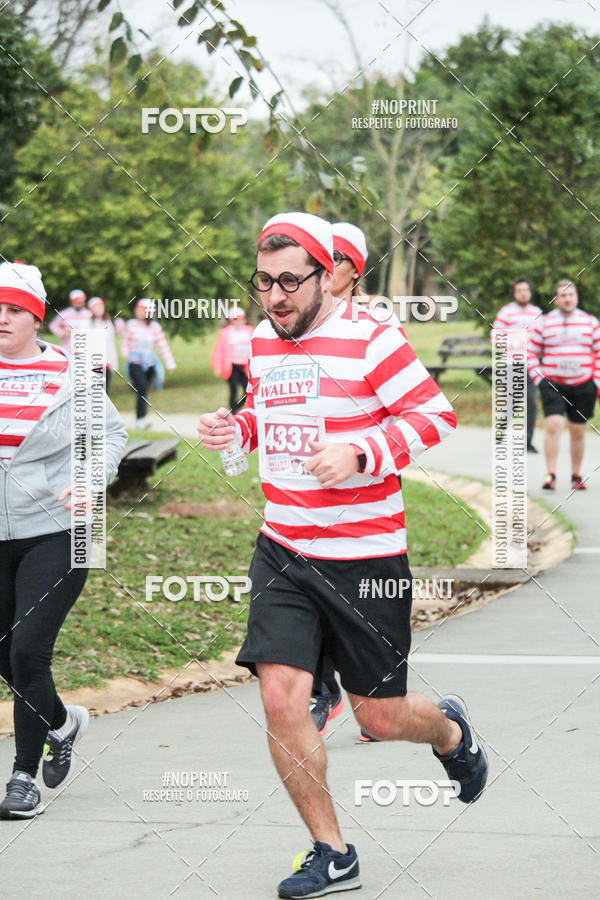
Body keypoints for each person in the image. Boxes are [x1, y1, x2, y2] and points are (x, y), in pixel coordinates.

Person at [198, 212, 488, 899]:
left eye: (289, 282)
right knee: (280, 697)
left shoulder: (372, 338)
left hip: (365, 557)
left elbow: (434, 415)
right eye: (264, 282)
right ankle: (332, 852)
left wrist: (362, 452)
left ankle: (449, 731)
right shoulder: (263, 341)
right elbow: (268, 414)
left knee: (379, 716)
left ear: (326, 277)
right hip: (283, 547)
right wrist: (236, 428)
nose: (275, 297)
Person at [0, 260, 127, 819]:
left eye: (14, 309)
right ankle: (61, 722)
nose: (3, 318)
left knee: (28, 650)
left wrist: (91, 478)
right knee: (5, 653)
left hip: (65, 529)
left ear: (37, 318)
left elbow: (112, 435)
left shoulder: (71, 374)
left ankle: (22, 778)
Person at [528, 279, 600, 491]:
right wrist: (540, 379)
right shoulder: (545, 322)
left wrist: (596, 380)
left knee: (578, 430)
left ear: (576, 297)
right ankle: (550, 474)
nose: (567, 299)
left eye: (571, 295)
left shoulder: (589, 322)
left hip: (583, 384)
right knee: (554, 424)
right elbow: (530, 352)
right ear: (556, 299)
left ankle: (575, 475)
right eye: (563, 295)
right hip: (553, 384)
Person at [492, 278, 542, 452]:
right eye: (520, 290)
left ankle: (527, 441)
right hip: (511, 363)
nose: (523, 293)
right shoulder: (507, 312)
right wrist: (516, 342)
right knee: (512, 402)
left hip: (531, 365)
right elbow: (496, 336)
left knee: (531, 402)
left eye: (526, 290)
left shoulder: (536, 312)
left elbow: (543, 336)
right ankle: (501, 431)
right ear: (514, 293)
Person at [121, 298, 176, 429]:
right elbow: (125, 341)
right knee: (141, 387)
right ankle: (140, 419)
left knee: (144, 390)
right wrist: (126, 353)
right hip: (135, 363)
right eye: (138, 310)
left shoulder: (155, 327)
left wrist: (170, 363)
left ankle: (143, 418)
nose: (139, 312)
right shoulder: (131, 324)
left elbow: (162, 345)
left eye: (142, 310)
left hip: (150, 364)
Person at [210, 308, 253, 413]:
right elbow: (219, 350)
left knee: (248, 390)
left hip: (245, 366)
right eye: (235, 319)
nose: (238, 321)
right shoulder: (225, 332)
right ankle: (233, 411)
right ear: (231, 320)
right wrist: (217, 366)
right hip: (232, 366)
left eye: (241, 319)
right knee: (233, 389)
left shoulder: (249, 330)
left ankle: (239, 407)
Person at [86, 296, 123, 394]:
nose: (99, 309)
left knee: (104, 391)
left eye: (101, 307)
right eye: (96, 307)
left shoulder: (107, 323)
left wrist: (113, 362)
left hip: (106, 363)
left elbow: (110, 344)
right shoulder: (87, 323)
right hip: (92, 363)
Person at [48, 288, 92, 353]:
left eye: (81, 302)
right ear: (72, 302)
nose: (80, 304)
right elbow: (52, 325)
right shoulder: (65, 314)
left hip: (85, 350)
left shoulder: (89, 314)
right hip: (67, 349)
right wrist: (62, 333)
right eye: (78, 302)